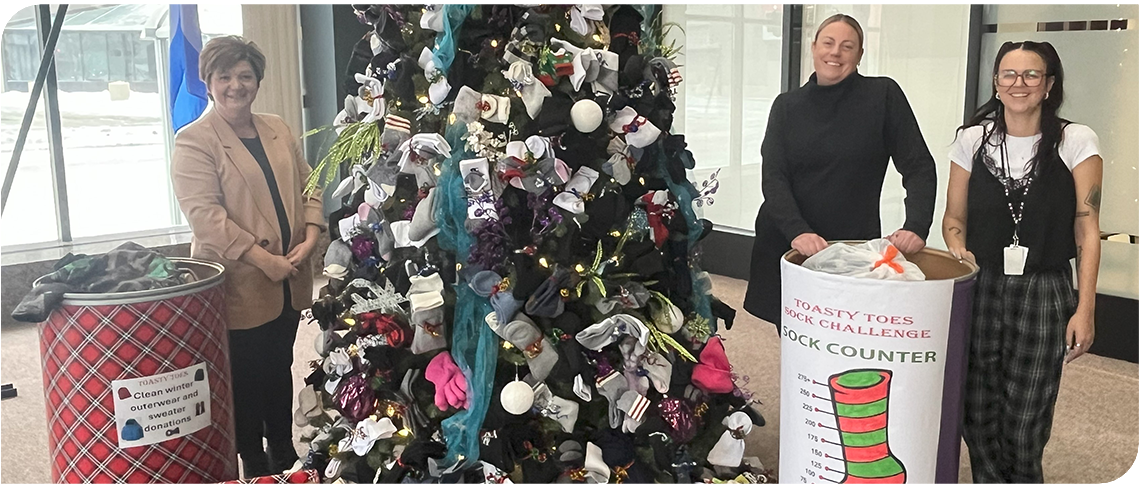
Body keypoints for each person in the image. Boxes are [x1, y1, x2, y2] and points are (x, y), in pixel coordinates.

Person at [943, 41, 1101, 484]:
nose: (1019, 83)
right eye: (1009, 74)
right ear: (995, 82)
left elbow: (1087, 227)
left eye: (1032, 75)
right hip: (983, 284)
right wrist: (959, 250)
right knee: (977, 413)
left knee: (1026, 419)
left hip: (1043, 289)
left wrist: (1084, 309)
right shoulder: (971, 141)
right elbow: (954, 218)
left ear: (1049, 85)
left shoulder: (1076, 140)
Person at [171, 36, 325, 478]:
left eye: (245, 76)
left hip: (290, 274)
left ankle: (282, 447)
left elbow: (308, 183)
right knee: (244, 376)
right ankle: (252, 459)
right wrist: (264, 259)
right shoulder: (195, 140)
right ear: (209, 81)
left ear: (257, 80)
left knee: (280, 365)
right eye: (225, 77)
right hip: (240, 281)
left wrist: (312, 233)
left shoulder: (277, 125)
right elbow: (207, 218)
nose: (236, 85)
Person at [743, 14, 937, 329]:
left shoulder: (883, 96)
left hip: (853, 249)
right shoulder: (786, 106)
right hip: (791, 245)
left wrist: (917, 224)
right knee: (800, 347)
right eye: (828, 43)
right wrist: (798, 232)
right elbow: (774, 178)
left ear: (859, 55)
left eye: (847, 46)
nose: (835, 53)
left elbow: (918, 166)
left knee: (850, 339)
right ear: (814, 47)